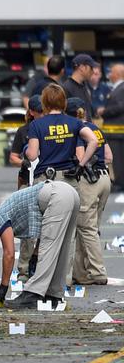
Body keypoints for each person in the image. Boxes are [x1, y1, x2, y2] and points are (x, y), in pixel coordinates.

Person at [0, 180, 79, 310]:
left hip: (56, 196)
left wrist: (3, 286)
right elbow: (45, 228)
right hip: (70, 193)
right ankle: (54, 295)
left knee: (48, 250)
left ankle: (32, 294)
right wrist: (35, 253)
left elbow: (9, 254)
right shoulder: (9, 208)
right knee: (61, 249)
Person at [66, 97, 112, 285]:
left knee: (86, 228)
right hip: (104, 179)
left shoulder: (77, 129)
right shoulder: (96, 129)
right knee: (89, 227)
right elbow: (108, 156)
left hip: (88, 180)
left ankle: (98, 271)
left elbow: (79, 156)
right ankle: (80, 273)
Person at [26, 84, 98, 186]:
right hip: (69, 177)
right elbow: (94, 141)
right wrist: (81, 165)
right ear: (64, 102)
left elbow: (32, 156)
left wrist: (27, 151)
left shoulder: (36, 124)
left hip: (46, 178)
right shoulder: (75, 122)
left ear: (44, 102)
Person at [8, 95, 42, 282]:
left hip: (44, 180)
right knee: (28, 228)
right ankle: (23, 270)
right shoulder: (24, 131)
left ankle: (37, 260)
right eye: (40, 111)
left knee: (46, 227)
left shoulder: (47, 128)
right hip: (26, 181)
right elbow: (13, 156)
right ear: (31, 112)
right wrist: (26, 163)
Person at [101, 63, 124, 191]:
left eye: (112, 72)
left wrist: (104, 111)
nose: (109, 74)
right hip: (114, 131)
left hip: (117, 131)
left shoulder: (121, 88)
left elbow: (120, 107)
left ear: (118, 74)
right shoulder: (117, 88)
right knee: (117, 158)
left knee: (118, 159)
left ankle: (120, 182)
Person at [62, 53, 98, 121]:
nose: (93, 71)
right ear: (82, 68)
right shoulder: (66, 88)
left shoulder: (85, 85)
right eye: (91, 68)